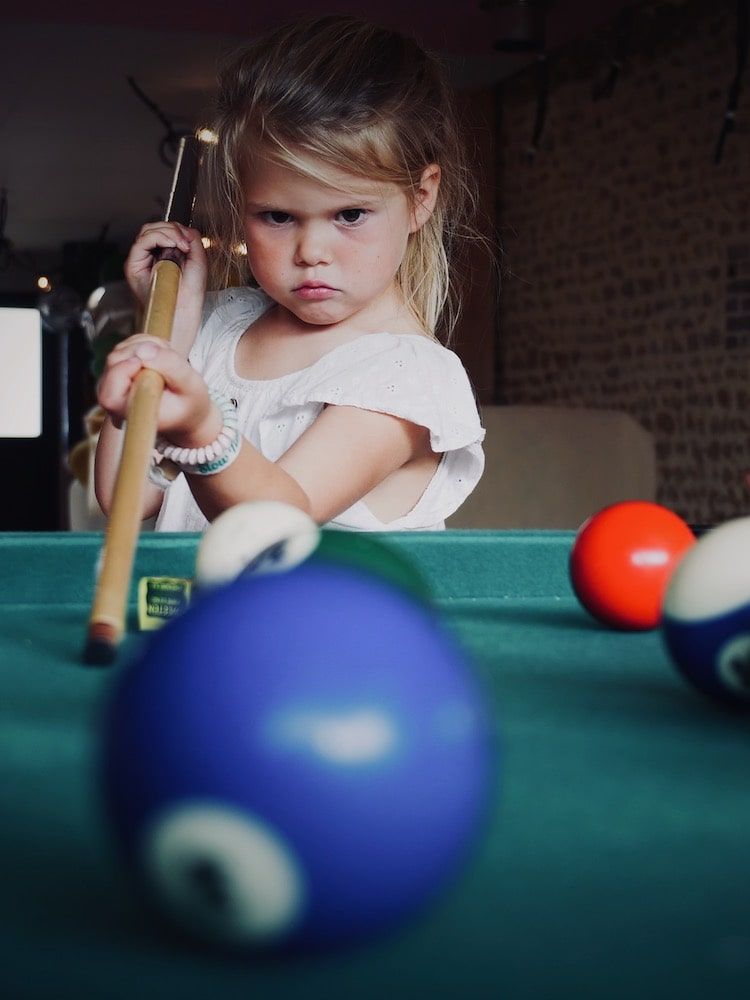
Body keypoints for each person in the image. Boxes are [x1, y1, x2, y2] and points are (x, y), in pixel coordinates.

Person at [94, 14, 486, 532]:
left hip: (324, 617)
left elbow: (277, 522)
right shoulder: (220, 327)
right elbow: (124, 495)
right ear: (243, 206)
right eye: (278, 216)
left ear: (420, 198)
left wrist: (203, 430)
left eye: (349, 215)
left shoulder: (407, 376)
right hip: (198, 614)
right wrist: (167, 334)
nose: (311, 252)